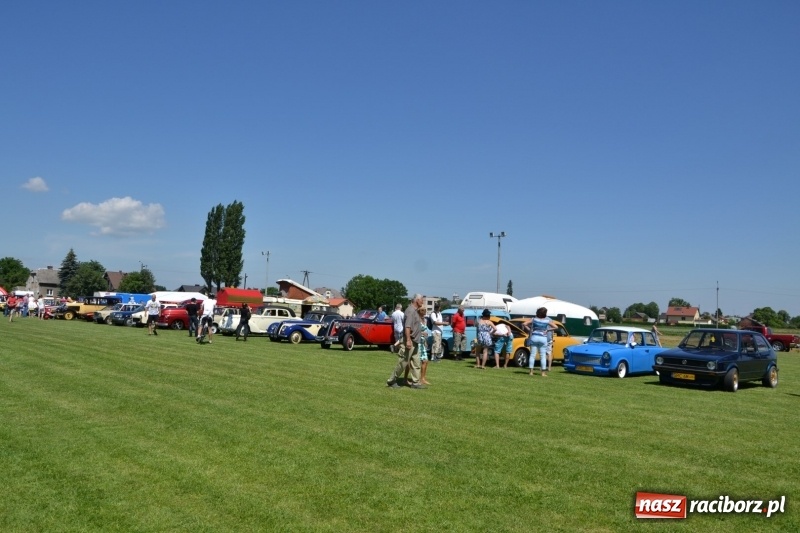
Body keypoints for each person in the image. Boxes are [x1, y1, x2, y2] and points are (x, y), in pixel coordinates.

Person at [386, 294, 426, 389]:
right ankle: (391, 381)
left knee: (416, 363)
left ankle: (415, 383)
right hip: (410, 341)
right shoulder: (410, 311)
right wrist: (408, 340)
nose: (422, 302)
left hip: (416, 341)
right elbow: (407, 327)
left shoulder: (415, 311)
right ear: (417, 300)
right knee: (403, 362)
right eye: (421, 300)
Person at [524, 307, 556, 376]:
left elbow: (524, 324)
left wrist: (530, 330)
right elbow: (556, 327)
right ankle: (543, 373)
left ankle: (531, 372)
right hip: (543, 338)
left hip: (534, 337)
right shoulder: (547, 321)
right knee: (543, 356)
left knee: (532, 355)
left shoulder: (533, 319)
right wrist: (548, 330)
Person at [405, 307, 431, 385]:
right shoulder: (416, 319)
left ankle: (422, 378)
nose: (425, 312)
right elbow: (412, 330)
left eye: (425, 310)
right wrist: (422, 333)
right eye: (423, 310)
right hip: (416, 342)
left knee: (425, 361)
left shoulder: (424, 320)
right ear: (419, 311)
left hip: (422, 343)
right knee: (411, 362)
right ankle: (405, 378)